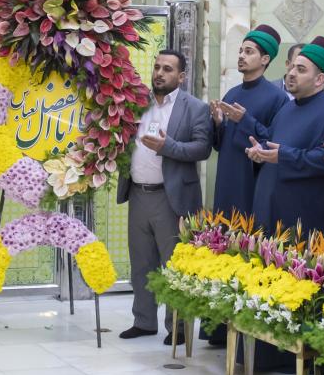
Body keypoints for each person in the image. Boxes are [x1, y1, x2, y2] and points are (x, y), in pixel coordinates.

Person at [119, 51, 212, 341]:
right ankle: (144, 321)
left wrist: (167, 147)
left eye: (168, 69)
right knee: (142, 263)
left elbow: (202, 148)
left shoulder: (195, 108)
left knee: (175, 266)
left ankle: (179, 328)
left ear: (181, 77)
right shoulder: (136, 104)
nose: (159, 73)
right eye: (157, 67)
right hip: (138, 194)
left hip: (172, 199)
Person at [244, 36, 324, 240]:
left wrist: (282, 156)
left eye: (301, 70)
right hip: (270, 211)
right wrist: (260, 151)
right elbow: (273, 141)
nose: (291, 73)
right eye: (292, 67)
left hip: (305, 219)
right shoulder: (287, 108)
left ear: (320, 79)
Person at [209, 24, 287, 219]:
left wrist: (245, 120)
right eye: (240, 51)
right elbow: (220, 144)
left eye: (248, 51)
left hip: (252, 178)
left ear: (265, 59)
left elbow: (274, 141)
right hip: (226, 175)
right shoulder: (232, 94)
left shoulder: (278, 98)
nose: (241, 56)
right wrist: (218, 123)